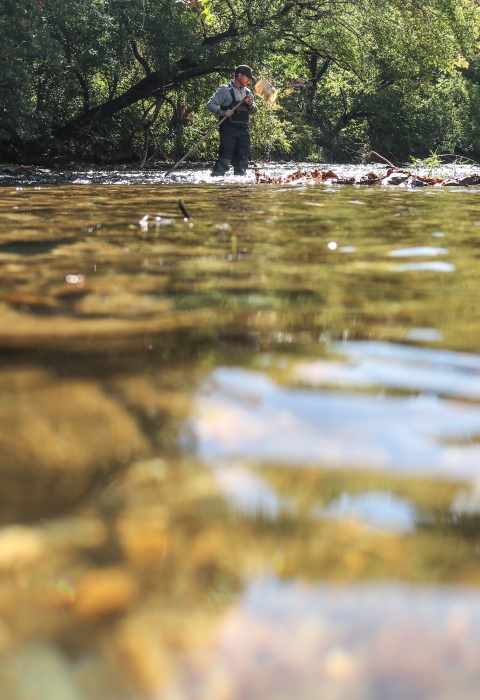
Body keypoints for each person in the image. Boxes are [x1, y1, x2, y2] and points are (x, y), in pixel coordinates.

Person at [206, 65, 258, 177]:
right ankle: (216, 181)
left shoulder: (249, 93)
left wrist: (250, 105)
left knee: (242, 163)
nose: (249, 80)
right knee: (224, 159)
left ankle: (239, 187)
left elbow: (254, 112)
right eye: (247, 77)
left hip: (244, 132)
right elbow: (210, 105)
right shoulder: (225, 90)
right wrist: (222, 112)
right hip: (228, 131)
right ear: (239, 75)